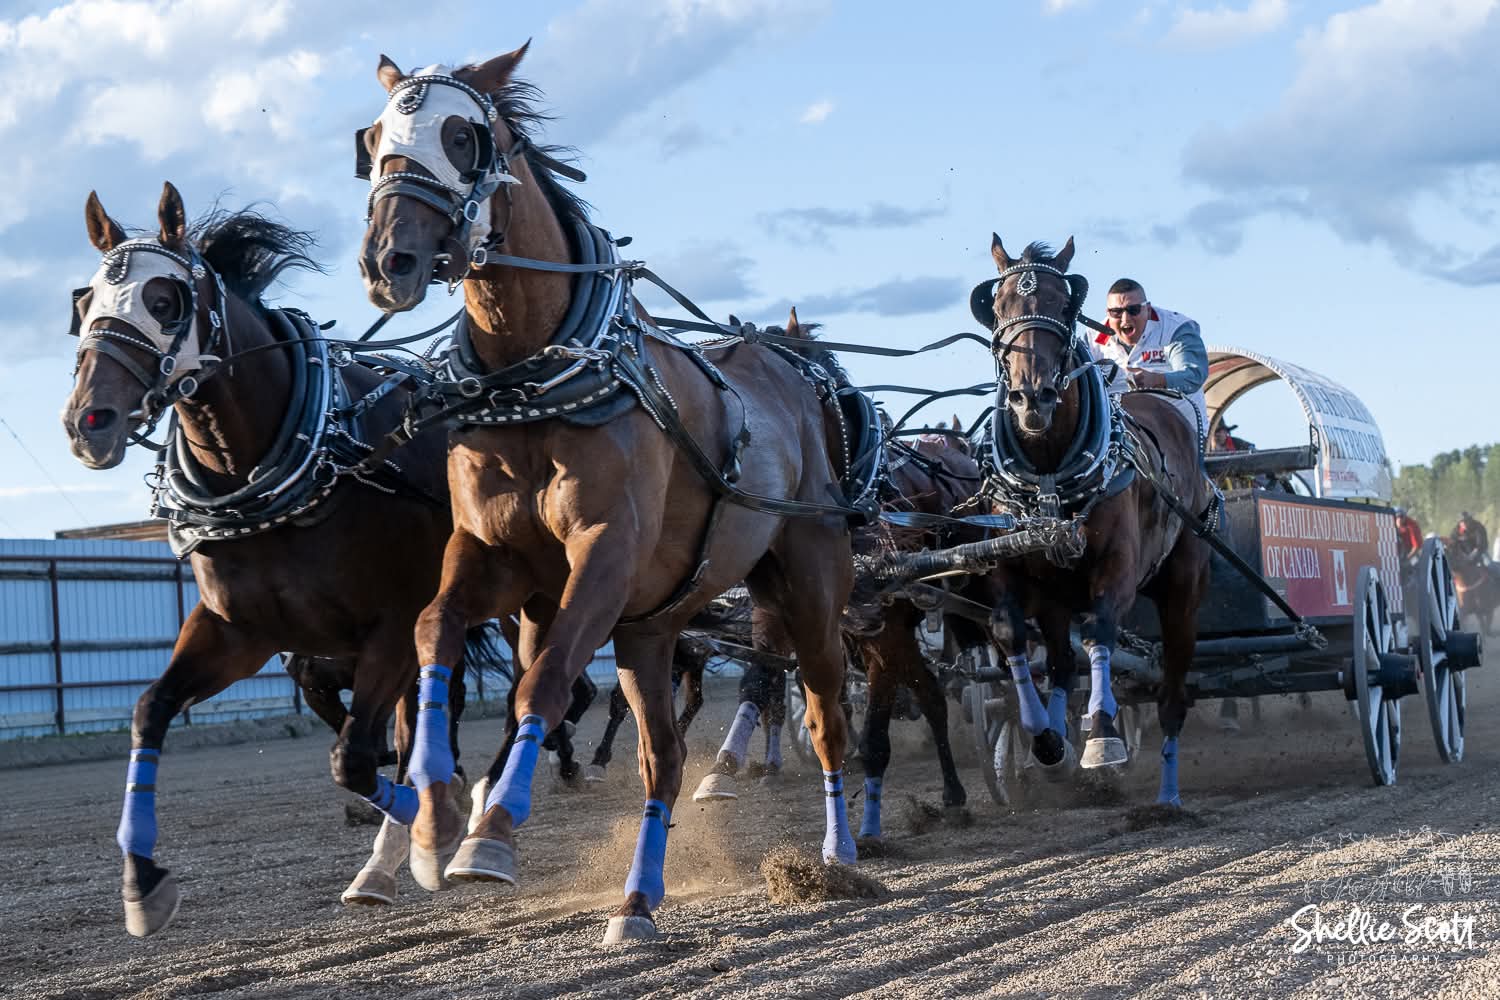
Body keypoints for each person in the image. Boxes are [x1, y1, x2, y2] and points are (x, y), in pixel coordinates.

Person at [1090, 278, 1208, 449]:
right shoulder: (1092, 339)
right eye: (1116, 312)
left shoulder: (1174, 328)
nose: (1125, 319)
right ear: (1108, 313)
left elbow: (1194, 375)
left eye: (1133, 310)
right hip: (1124, 432)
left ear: (1148, 309)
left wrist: (1158, 380)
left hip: (1181, 433)